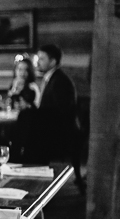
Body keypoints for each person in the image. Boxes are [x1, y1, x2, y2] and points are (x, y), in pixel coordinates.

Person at [18, 44, 85, 188]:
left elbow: (59, 114)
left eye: (42, 59)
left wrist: (32, 112)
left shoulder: (60, 81)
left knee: (27, 129)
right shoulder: (52, 78)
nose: (38, 62)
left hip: (62, 134)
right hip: (53, 129)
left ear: (53, 62)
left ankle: (30, 181)